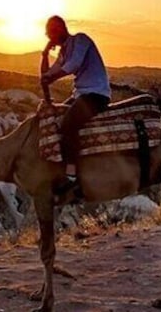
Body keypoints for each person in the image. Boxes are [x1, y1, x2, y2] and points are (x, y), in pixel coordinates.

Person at [39, 15, 111, 196]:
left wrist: (51, 78)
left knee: (68, 125)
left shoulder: (80, 40)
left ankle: (72, 176)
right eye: (49, 32)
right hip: (80, 94)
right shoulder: (63, 52)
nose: (51, 35)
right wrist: (45, 54)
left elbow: (73, 65)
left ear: (63, 28)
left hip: (96, 94)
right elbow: (47, 74)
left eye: (54, 30)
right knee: (56, 119)